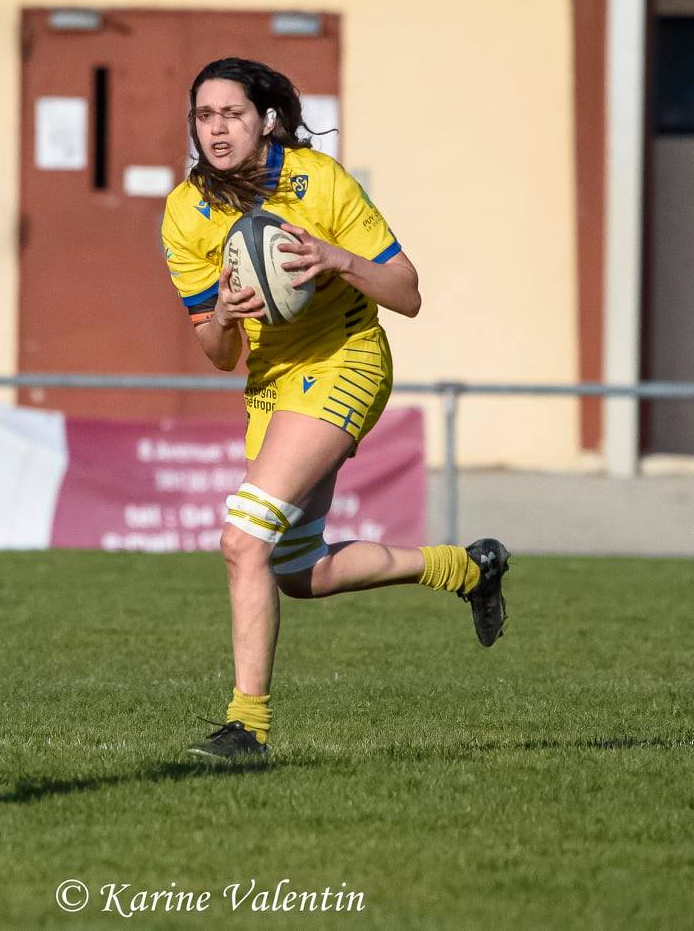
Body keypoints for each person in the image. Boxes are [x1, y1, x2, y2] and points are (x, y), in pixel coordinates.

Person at [160, 56, 509, 764]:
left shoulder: (320, 182)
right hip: (274, 382)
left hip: (347, 358)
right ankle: (469, 569)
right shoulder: (184, 211)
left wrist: (335, 259)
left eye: (232, 113)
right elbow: (216, 351)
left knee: (241, 538)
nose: (217, 128)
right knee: (294, 569)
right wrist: (223, 313)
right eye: (204, 115)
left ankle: (245, 728)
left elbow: (407, 293)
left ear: (266, 120)